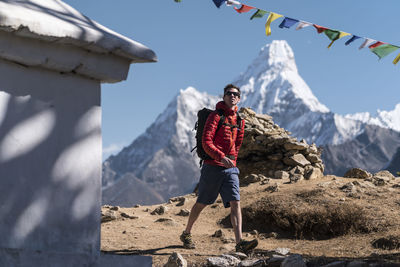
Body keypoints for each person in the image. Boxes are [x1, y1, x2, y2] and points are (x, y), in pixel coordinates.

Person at [180, 84, 258, 254]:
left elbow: (238, 144)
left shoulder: (239, 121)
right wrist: (221, 157)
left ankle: (239, 243)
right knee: (202, 203)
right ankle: (187, 233)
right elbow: (206, 142)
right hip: (212, 168)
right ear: (224, 96)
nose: (232, 96)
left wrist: (232, 161)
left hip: (230, 169)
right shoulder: (215, 116)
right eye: (229, 93)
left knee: (235, 202)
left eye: (235, 94)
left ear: (239, 98)